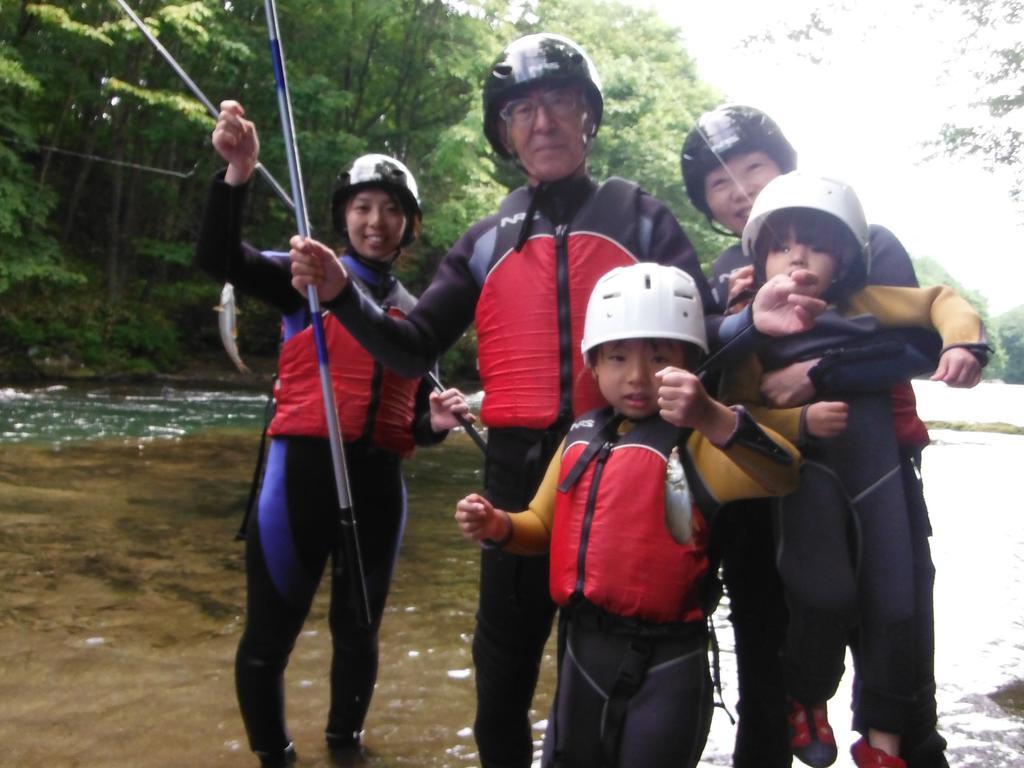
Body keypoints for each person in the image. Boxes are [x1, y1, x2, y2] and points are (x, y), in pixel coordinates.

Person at [288, 34, 719, 768]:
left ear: (588, 117)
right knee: (501, 688)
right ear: (504, 132)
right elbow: (414, 344)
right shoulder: (488, 240)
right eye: (521, 109)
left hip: (629, 476)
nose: (542, 121)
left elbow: (705, 335)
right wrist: (341, 295)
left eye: (559, 103)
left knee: (608, 683)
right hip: (518, 477)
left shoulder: (643, 222)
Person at [680, 104, 962, 768]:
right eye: (719, 184)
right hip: (760, 488)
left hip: (879, 472)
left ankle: (896, 742)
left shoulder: (864, 243)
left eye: (754, 168)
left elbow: (919, 346)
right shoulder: (725, 269)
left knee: (900, 663)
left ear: (786, 167)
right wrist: (741, 317)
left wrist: (821, 371)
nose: (739, 190)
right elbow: (708, 374)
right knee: (770, 688)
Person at [196, 100, 474, 767]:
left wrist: (431, 426)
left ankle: (347, 751)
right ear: (343, 216)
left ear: (409, 226)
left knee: (358, 634)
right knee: (269, 638)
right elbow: (217, 258)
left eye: (390, 211)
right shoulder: (305, 280)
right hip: (298, 483)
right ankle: (275, 757)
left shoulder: (415, 317)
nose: (375, 223)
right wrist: (237, 175)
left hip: (378, 488)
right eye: (362, 208)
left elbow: (407, 416)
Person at [454, 262, 802, 768]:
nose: (637, 376)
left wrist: (711, 415)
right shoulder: (581, 438)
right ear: (593, 365)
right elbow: (543, 527)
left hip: (669, 662)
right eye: (617, 357)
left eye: (659, 357)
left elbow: (785, 473)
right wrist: (498, 527)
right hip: (582, 651)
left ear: (690, 362)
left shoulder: (702, 444)